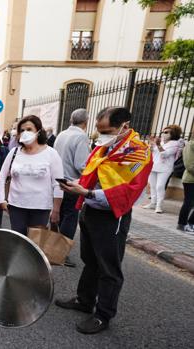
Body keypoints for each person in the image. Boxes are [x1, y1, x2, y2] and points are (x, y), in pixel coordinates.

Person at [56, 107, 152, 334]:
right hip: (90, 209)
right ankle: (85, 300)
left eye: (107, 130)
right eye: (98, 130)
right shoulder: (106, 146)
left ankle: (103, 315)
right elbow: (92, 175)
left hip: (111, 215)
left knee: (109, 267)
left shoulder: (138, 152)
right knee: (90, 259)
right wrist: (76, 185)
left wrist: (86, 193)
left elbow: (127, 192)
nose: (101, 135)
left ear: (124, 126)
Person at [0, 115, 64, 235]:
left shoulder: (51, 153)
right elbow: (1, 177)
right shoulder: (14, 152)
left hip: (41, 209)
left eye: (29, 129)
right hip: (16, 207)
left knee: (35, 244)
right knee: (18, 242)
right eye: (21, 130)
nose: (25, 133)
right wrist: (1, 199)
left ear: (38, 131)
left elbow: (58, 183)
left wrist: (56, 209)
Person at [53, 109, 91, 267]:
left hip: (57, 181)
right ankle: (60, 254)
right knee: (69, 217)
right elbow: (81, 164)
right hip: (71, 183)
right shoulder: (81, 136)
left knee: (58, 216)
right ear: (86, 122)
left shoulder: (61, 134)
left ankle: (52, 250)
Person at [143, 125, 182, 213]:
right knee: (152, 186)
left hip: (165, 168)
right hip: (153, 166)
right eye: (163, 132)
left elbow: (165, 154)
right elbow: (153, 152)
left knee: (160, 186)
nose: (163, 134)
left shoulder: (175, 144)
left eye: (166, 132)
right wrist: (152, 145)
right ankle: (153, 203)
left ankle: (159, 206)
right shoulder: (162, 142)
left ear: (173, 134)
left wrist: (157, 144)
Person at [178, 130, 194, 232]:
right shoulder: (190, 145)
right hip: (190, 179)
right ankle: (182, 224)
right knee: (189, 202)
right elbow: (189, 165)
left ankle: (191, 223)